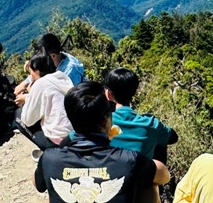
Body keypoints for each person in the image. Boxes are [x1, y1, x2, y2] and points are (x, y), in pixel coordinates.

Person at [35, 81, 170, 203]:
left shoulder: (49, 158)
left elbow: (37, 184)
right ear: (106, 119)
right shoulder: (130, 160)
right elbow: (164, 176)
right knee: (150, 185)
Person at [104, 68, 178, 162]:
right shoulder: (151, 124)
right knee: (159, 141)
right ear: (134, 92)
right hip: (140, 175)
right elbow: (173, 138)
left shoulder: (100, 122)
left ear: (108, 94)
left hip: (108, 174)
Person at [17, 51, 74, 151]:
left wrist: (30, 96)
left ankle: (49, 152)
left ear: (37, 71)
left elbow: (27, 120)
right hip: (74, 134)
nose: (31, 76)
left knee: (18, 115)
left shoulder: (40, 85)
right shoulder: (62, 77)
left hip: (60, 140)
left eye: (31, 73)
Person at [16, 32, 85, 98]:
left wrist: (29, 97)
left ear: (53, 56)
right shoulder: (58, 58)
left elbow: (60, 98)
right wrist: (26, 82)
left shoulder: (69, 71)